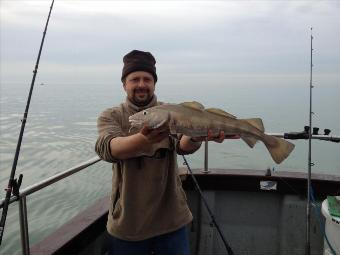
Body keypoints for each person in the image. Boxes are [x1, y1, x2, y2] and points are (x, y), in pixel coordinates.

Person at [95, 50, 229, 255]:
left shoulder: (169, 111)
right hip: (129, 223)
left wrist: (195, 136)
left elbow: (182, 146)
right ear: (124, 84)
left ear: (154, 83)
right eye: (134, 79)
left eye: (147, 79)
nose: (141, 84)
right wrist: (143, 140)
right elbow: (107, 148)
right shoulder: (112, 116)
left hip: (172, 219)